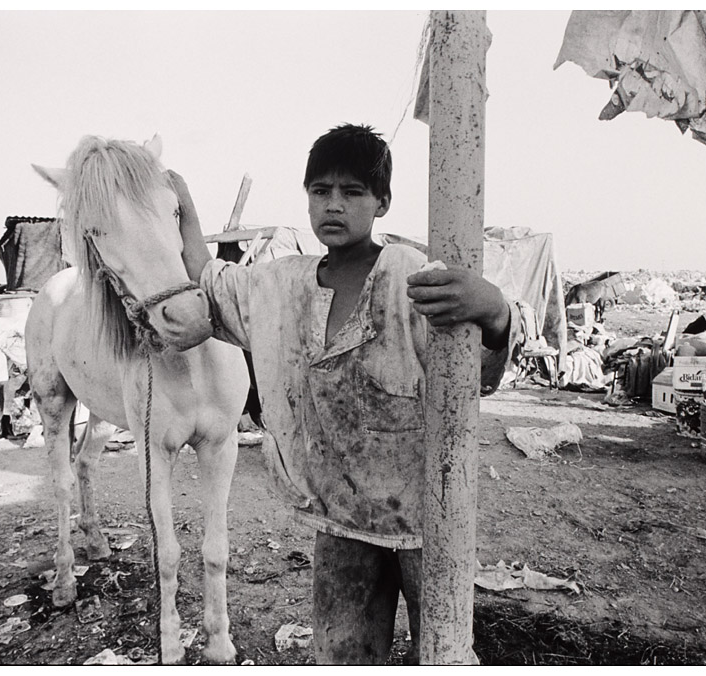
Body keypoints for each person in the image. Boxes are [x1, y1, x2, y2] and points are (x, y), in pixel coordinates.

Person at [173, 123, 520, 664]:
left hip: (429, 520)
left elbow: (473, 377)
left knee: (445, 653)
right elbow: (210, 281)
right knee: (342, 656)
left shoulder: (414, 277)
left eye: (352, 192)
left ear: (381, 202)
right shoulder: (281, 284)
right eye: (320, 191)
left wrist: (495, 311)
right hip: (341, 520)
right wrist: (184, 205)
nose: (334, 205)